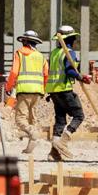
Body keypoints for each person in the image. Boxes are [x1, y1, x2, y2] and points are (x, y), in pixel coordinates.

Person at [46, 25, 86, 159]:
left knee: (60, 120)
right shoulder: (69, 52)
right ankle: (63, 141)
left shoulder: (54, 53)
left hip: (53, 91)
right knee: (79, 115)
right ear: (71, 39)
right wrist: (81, 77)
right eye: (74, 39)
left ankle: (54, 153)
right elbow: (69, 71)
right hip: (64, 89)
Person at [10, 30, 49, 155]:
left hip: (24, 89)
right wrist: (43, 89)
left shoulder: (19, 54)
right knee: (32, 118)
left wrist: (9, 86)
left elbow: (14, 72)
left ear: (25, 41)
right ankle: (29, 147)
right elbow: (46, 74)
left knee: (20, 119)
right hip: (37, 91)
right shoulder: (41, 56)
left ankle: (33, 134)